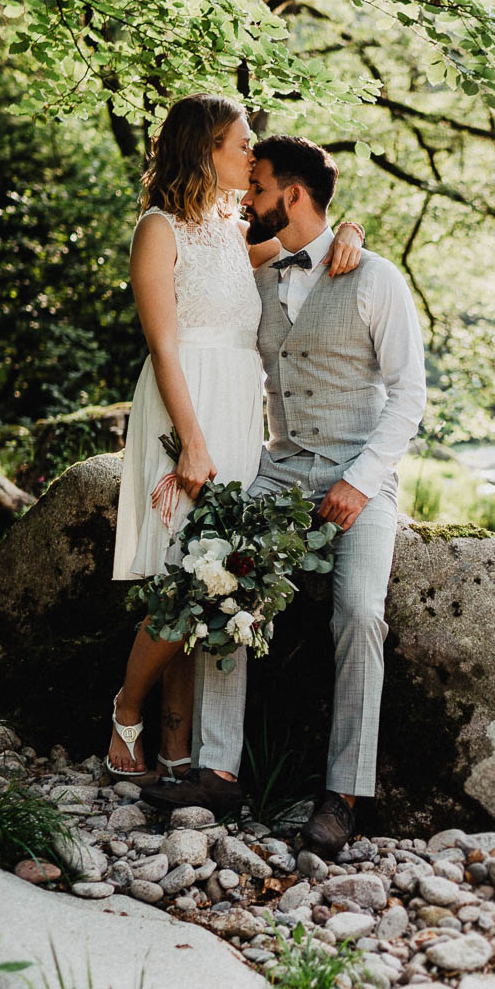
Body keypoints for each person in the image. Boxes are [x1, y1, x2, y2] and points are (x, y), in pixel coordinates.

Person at [145, 134, 426, 858]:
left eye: (260, 186)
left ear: (293, 196)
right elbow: (189, 269)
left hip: (360, 472)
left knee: (361, 612)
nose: (249, 198)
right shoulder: (259, 271)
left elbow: (410, 394)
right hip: (280, 469)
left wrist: (361, 483)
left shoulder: (375, 279)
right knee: (220, 579)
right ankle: (217, 769)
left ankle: (343, 793)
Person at [105, 95, 364, 785]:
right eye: (241, 143)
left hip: (237, 409)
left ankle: (179, 750)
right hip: (182, 404)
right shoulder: (157, 230)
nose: (252, 155)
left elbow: (308, 234)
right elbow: (163, 344)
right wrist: (190, 440)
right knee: (180, 575)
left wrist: (353, 234)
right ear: (205, 148)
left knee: (212, 576)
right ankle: (127, 711)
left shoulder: (229, 226)